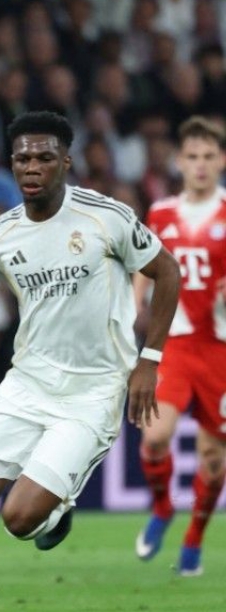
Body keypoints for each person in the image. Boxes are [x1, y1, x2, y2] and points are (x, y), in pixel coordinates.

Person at [0, 111, 181, 612]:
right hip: (28, 384)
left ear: (65, 162)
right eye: (22, 158)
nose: (32, 167)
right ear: (11, 164)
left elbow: (166, 271)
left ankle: (55, 508)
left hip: (94, 390)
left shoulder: (106, 217)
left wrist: (149, 359)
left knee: (19, 520)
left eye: (43, 157)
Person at [134, 116, 226, 576]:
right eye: (192, 156)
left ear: (222, 160)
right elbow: (143, 265)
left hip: (221, 349)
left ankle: (193, 541)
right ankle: (163, 507)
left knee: (212, 459)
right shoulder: (161, 213)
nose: (201, 164)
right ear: (179, 162)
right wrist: (132, 305)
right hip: (176, 343)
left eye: (209, 156)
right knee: (155, 437)